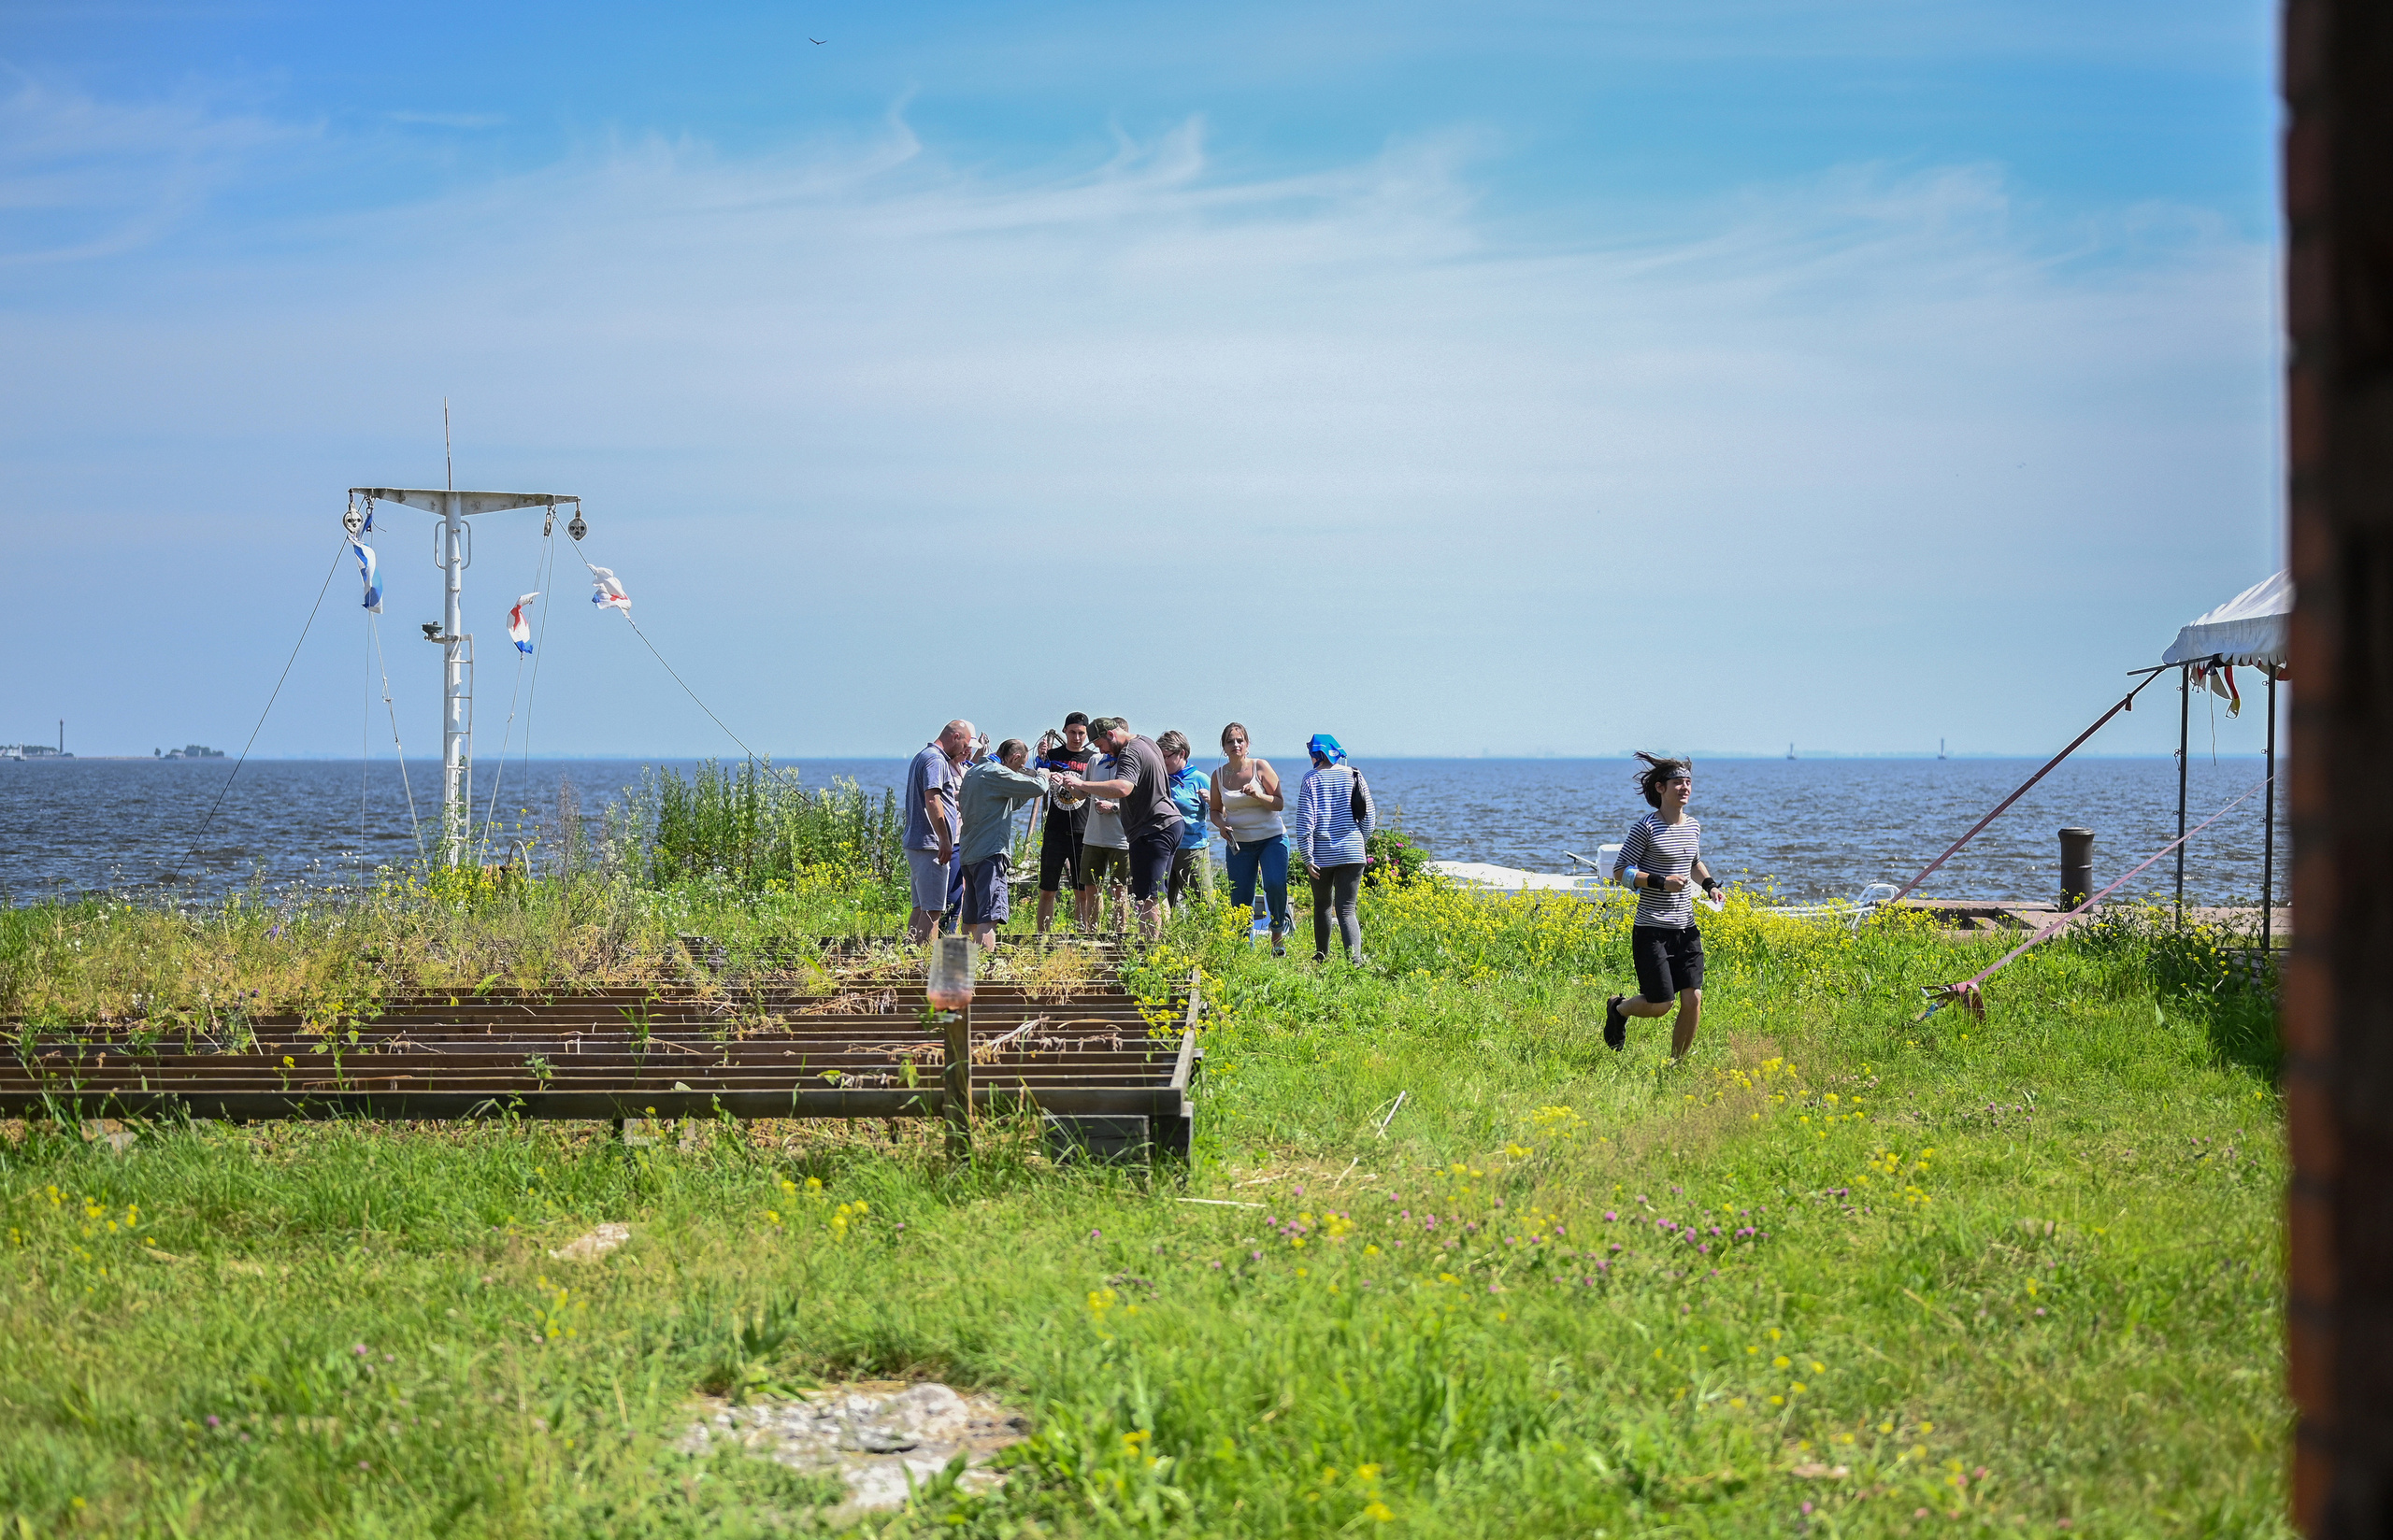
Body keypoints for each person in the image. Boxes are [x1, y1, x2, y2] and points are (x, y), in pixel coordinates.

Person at [1604, 753, 1721, 1061]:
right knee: (1660, 1005)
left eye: (1688, 782)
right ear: (1660, 788)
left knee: (1692, 998)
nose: (1685, 787)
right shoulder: (1645, 828)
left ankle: (1676, 1063)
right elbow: (1620, 872)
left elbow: (1694, 862)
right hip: (1652, 929)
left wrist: (1710, 886)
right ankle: (1618, 1007)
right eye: (1677, 782)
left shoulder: (1693, 826)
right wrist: (1660, 881)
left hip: (1687, 928)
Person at [1060, 718, 1181, 939]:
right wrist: (1075, 785)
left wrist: (1083, 784)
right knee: (1158, 893)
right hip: (1170, 824)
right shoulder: (1146, 742)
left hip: (1151, 828)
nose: (1102, 752)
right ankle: (1164, 947)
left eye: (1100, 745)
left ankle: (1149, 952)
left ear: (1110, 735)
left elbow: (1124, 787)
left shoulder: (1128, 753)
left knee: (1146, 897)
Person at [955, 738, 1051, 948]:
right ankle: (983, 968)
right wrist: (1043, 772)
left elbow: (1011, 801)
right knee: (989, 917)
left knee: (970, 918)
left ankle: (963, 965)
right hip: (990, 854)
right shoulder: (996, 773)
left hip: (969, 854)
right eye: (1019, 765)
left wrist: (1022, 785)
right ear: (1015, 757)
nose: (1020, 770)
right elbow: (1040, 787)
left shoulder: (974, 772)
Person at [1209, 722, 1289, 953]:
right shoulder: (1218, 775)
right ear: (1224, 747)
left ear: (1247, 744)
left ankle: (1277, 935)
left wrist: (1259, 795)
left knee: (1274, 884)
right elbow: (1215, 810)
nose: (1235, 744)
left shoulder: (1260, 766)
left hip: (1271, 838)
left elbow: (1279, 803)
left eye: (1239, 740)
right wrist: (1222, 825)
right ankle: (1245, 947)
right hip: (1239, 844)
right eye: (1230, 741)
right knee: (1241, 896)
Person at [1297, 733, 1374, 962]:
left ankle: (1321, 957)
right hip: (1353, 852)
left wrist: (1307, 857)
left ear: (1316, 754)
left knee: (1322, 905)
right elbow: (1368, 817)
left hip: (1321, 856)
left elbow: (1305, 823)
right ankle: (1355, 961)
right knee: (1347, 910)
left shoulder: (1310, 779)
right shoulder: (1355, 775)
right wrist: (1360, 842)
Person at [904, 720, 976, 944]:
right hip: (930, 844)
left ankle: (909, 955)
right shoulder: (936, 760)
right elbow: (933, 799)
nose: (965, 750)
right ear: (955, 736)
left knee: (921, 907)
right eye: (964, 743)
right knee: (933, 911)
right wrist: (945, 839)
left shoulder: (923, 756)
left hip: (918, 842)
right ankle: (924, 964)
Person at [1033, 713, 1096, 934]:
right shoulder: (1052, 755)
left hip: (1083, 830)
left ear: (1086, 734)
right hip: (1055, 831)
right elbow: (1037, 777)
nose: (1077, 737)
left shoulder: (1093, 758)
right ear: (1065, 731)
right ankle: (1043, 936)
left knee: (1082, 891)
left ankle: (1082, 935)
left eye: (1081, 733)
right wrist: (1042, 761)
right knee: (1047, 889)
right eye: (1072, 732)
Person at [1078, 743, 1132, 933]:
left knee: (1119, 890)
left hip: (1121, 839)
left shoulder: (1131, 762)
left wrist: (1114, 807)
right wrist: (1067, 783)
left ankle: (1120, 934)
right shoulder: (1095, 760)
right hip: (1094, 836)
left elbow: (1138, 799)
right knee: (1091, 888)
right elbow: (1080, 793)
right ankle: (1092, 932)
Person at [1159, 731, 1213, 908]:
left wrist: (1212, 801)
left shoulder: (1199, 779)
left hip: (1192, 850)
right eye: (1160, 756)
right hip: (1164, 849)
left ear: (1182, 753)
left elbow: (1222, 813)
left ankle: (1208, 936)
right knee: (1163, 904)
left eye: (1166, 756)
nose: (1163, 761)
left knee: (1203, 905)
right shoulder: (1159, 778)